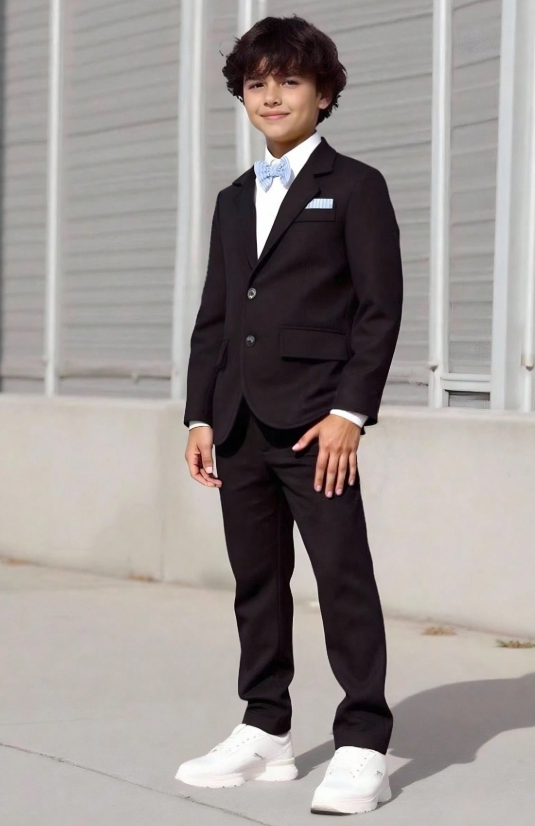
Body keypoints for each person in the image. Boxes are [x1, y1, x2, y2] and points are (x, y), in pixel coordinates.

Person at [176, 14, 403, 816]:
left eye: (290, 81)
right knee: (257, 582)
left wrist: (350, 411)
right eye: (256, 84)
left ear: (324, 93)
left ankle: (363, 741)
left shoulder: (356, 187)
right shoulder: (234, 199)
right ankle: (265, 726)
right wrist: (199, 415)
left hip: (317, 425)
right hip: (238, 421)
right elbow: (215, 314)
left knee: (342, 577)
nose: (271, 97)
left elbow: (378, 309)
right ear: (242, 97)